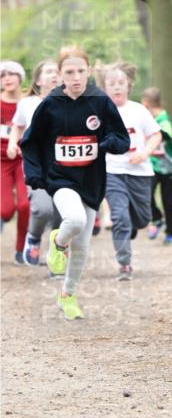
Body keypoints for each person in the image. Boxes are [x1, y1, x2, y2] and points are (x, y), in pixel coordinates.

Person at [20, 46, 130, 319]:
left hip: (91, 181)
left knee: (82, 248)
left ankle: (67, 295)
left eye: (81, 71)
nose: (76, 77)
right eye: (69, 72)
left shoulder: (100, 101)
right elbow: (30, 142)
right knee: (75, 220)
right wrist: (34, 174)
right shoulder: (50, 104)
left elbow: (122, 139)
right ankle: (57, 241)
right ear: (60, 75)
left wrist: (106, 143)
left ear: (89, 71)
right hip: (60, 179)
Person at [103, 62, 161, 279]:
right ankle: (124, 263)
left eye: (121, 83)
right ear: (105, 88)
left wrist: (145, 152)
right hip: (112, 171)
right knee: (119, 217)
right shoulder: (99, 111)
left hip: (139, 171)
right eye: (111, 84)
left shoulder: (138, 110)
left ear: (129, 85)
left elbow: (156, 135)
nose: (117, 87)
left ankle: (131, 226)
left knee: (142, 219)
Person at [7, 60, 62, 265]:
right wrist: (13, 143)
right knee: (42, 209)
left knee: (60, 213)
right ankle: (34, 236)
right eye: (48, 72)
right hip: (36, 165)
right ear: (38, 80)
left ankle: (56, 256)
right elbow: (17, 126)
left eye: (57, 71)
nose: (53, 75)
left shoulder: (71, 102)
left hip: (64, 166)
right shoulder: (27, 104)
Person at [140, 86, 172, 244]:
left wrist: (155, 134)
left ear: (146, 103)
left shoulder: (163, 118)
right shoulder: (146, 119)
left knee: (168, 201)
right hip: (152, 165)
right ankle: (157, 218)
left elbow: (168, 133)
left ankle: (171, 231)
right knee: (145, 193)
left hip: (169, 167)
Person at [1, 61, 30, 264]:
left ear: (20, 77)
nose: (7, 78)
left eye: (12, 74)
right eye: (3, 75)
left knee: (25, 205)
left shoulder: (28, 102)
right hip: (1, 161)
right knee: (5, 209)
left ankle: (22, 250)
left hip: (25, 160)